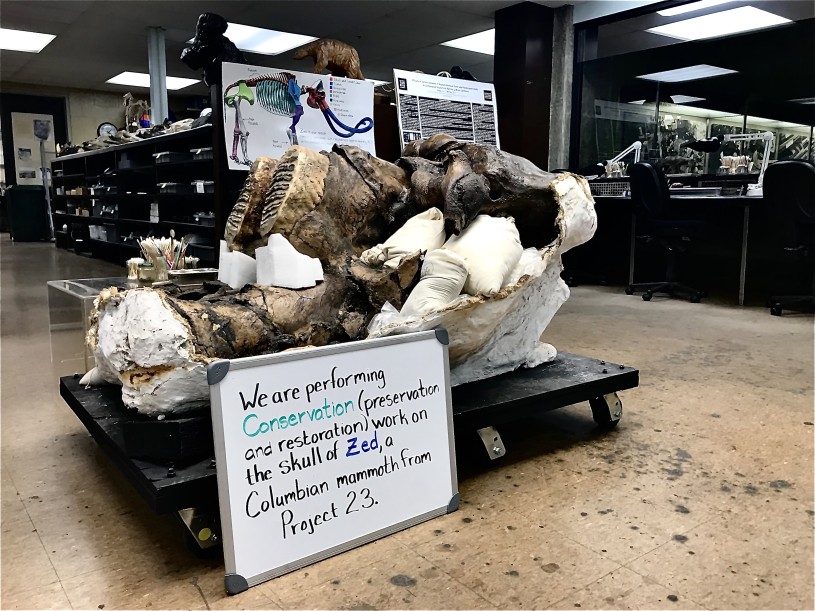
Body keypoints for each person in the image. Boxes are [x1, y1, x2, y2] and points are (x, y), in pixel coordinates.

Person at [286, 74, 304, 145]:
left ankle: (293, 131)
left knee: (297, 116)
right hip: (296, 104)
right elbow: (294, 92)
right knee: (298, 114)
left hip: (296, 104)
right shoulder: (292, 84)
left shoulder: (292, 84)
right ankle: (291, 128)